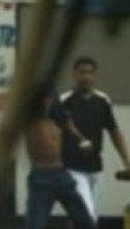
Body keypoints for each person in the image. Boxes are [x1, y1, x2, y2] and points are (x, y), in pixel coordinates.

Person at [61, 56, 130, 222]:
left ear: (95, 75)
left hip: (95, 166)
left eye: (89, 72)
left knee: (89, 216)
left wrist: (126, 162)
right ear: (74, 74)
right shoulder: (65, 101)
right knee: (86, 213)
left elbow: (114, 132)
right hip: (72, 167)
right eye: (82, 72)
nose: (85, 76)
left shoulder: (102, 100)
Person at [24, 91, 95, 229]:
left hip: (61, 174)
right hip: (41, 177)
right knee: (35, 225)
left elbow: (73, 130)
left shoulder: (59, 119)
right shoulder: (29, 121)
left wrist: (83, 140)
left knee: (85, 221)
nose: (46, 102)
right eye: (43, 99)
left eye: (49, 99)